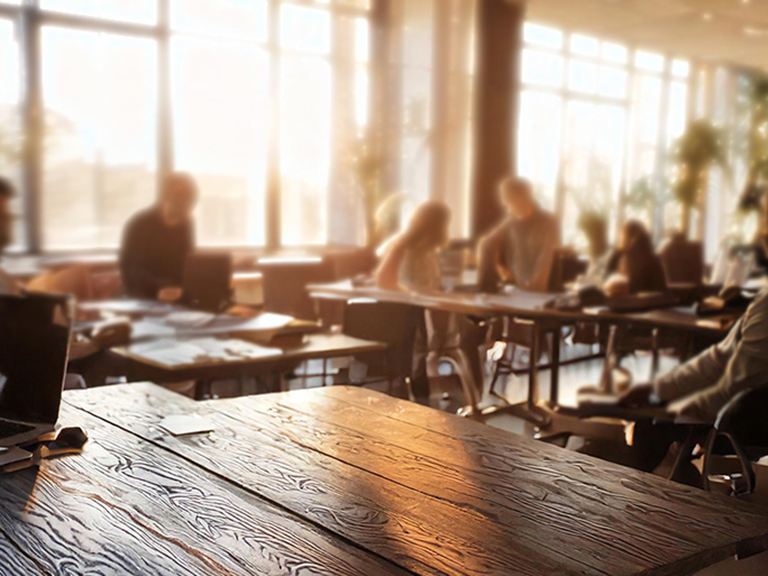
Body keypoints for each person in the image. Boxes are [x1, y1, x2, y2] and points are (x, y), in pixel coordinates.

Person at [620, 289, 768, 423]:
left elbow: (742, 384)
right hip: (741, 414)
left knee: (650, 428)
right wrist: (656, 389)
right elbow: (716, 360)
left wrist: (692, 409)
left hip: (750, 425)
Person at [120, 172, 198, 300]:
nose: (188, 208)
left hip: (176, 295)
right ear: (166, 197)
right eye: (182, 198)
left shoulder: (186, 224)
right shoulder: (139, 224)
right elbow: (133, 273)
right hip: (141, 296)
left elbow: (187, 264)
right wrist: (159, 289)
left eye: (190, 200)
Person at [477, 177, 560, 293]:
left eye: (507, 198)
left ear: (520, 197)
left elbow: (545, 260)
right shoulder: (511, 220)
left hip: (539, 290)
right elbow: (486, 243)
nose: (504, 203)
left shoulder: (547, 221)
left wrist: (534, 287)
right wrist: (499, 270)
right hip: (516, 288)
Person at [375, 200, 451, 293]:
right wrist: (410, 295)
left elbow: (430, 285)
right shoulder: (401, 246)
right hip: (405, 304)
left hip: (421, 303)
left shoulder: (427, 249)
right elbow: (385, 282)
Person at [603, 220, 667, 297]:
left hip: (621, 302)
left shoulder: (618, 255)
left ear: (623, 236)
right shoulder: (654, 259)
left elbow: (607, 280)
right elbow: (660, 287)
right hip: (651, 303)